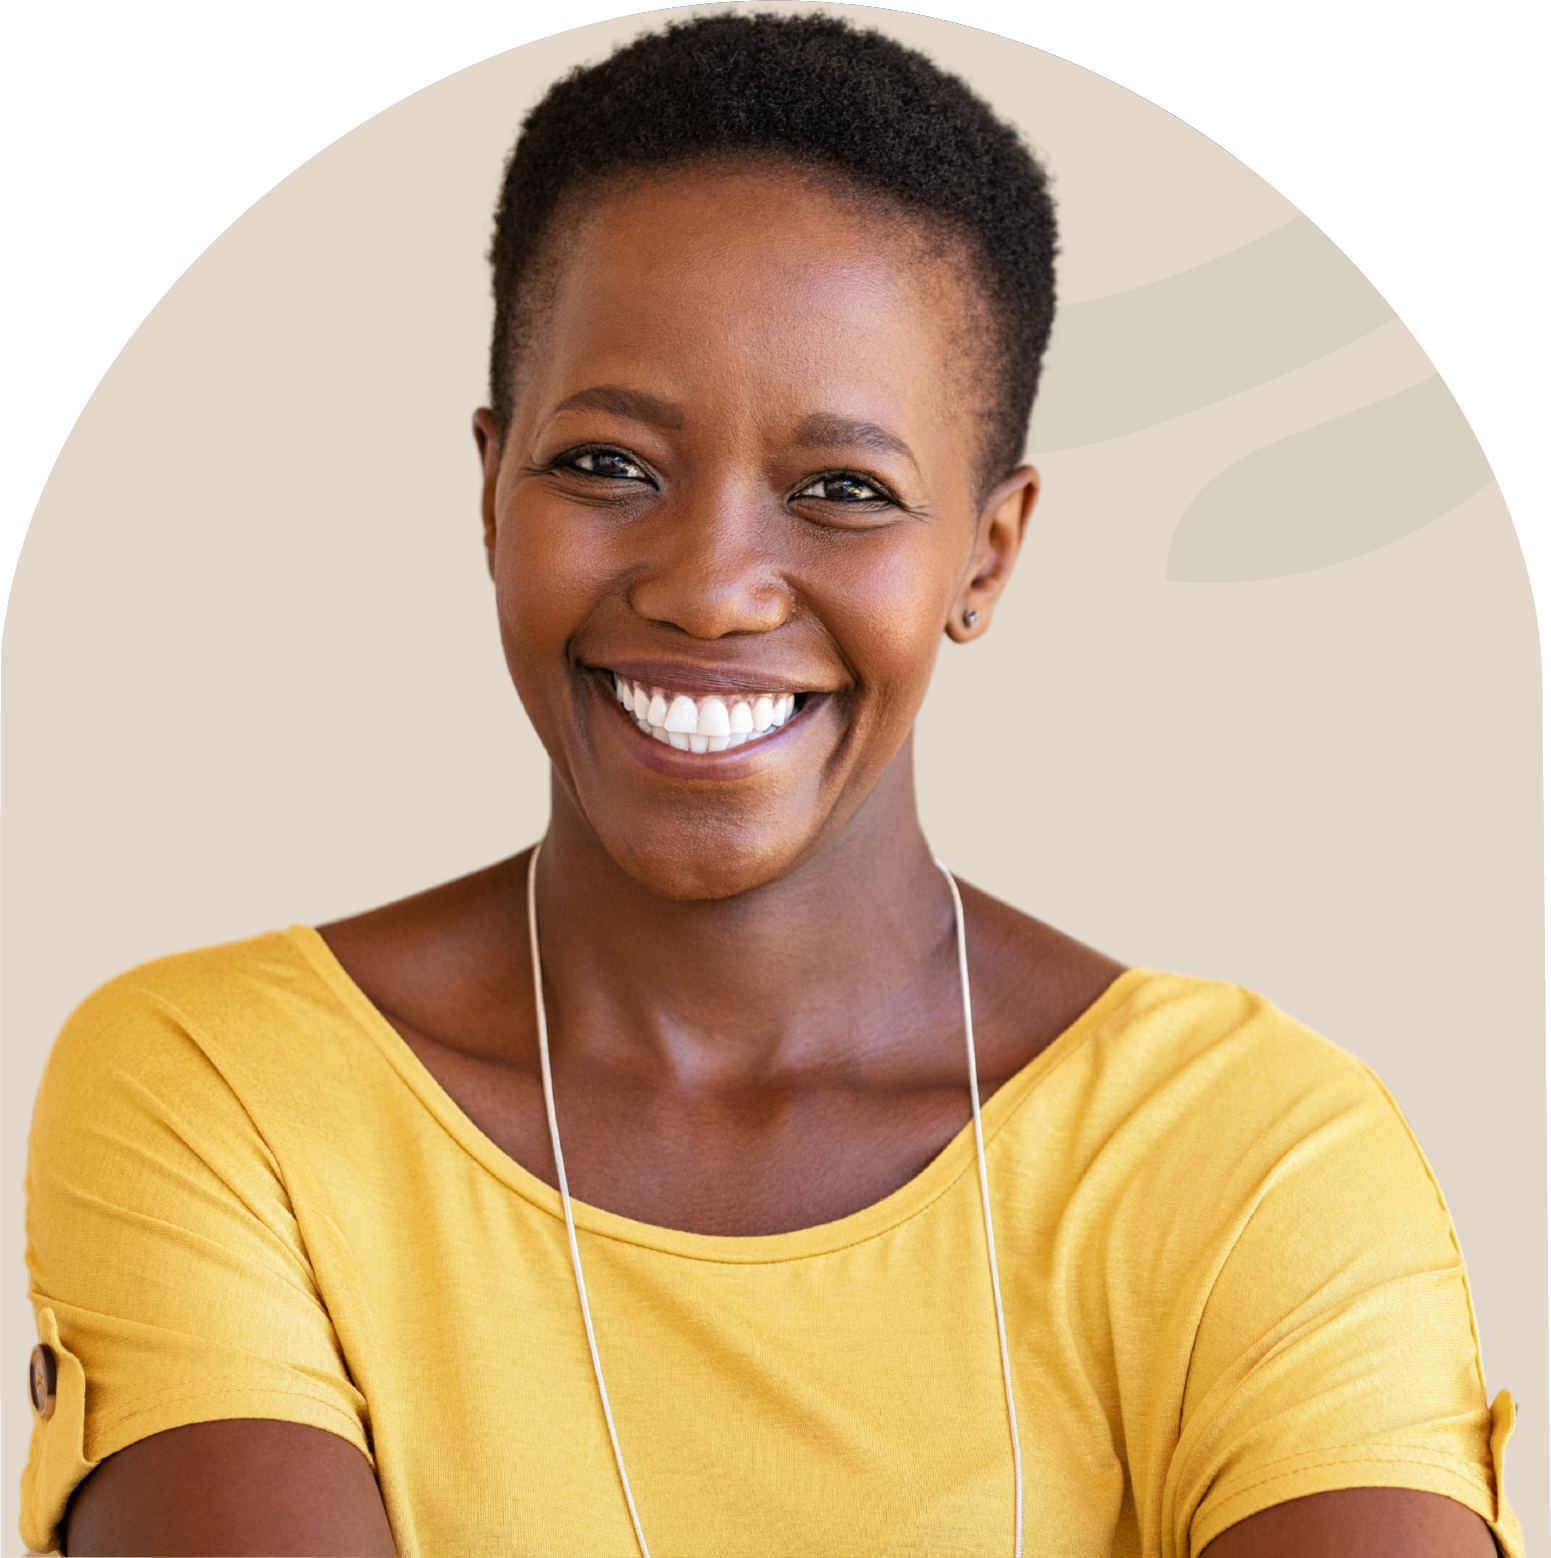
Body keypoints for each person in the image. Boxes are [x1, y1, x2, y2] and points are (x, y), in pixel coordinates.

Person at [21, 13, 1520, 1558]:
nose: (712, 589)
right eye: (607, 463)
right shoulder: (225, 1093)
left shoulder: (1248, 1152)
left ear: (985, 553)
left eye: (842, 491)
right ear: (488, 485)